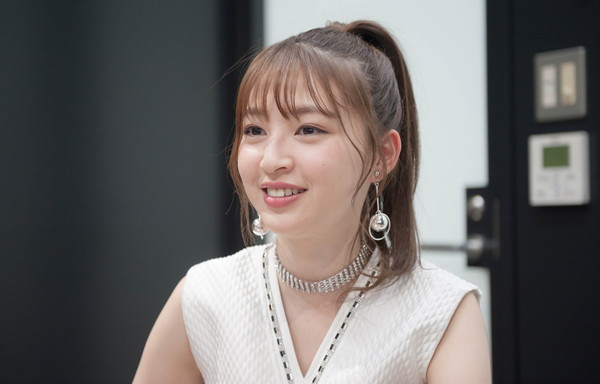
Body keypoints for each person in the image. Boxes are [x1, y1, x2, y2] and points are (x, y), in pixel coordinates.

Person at [133, 20, 491, 383]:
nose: (272, 160)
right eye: (255, 130)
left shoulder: (439, 311)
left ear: (382, 155)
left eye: (308, 130)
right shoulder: (205, 296)